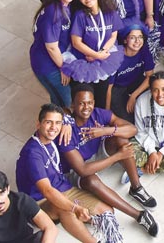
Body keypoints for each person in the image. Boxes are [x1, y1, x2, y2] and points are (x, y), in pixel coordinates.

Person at [58, 86, 159, 237]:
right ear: (73, 105)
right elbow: (83, 170)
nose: (87, 107)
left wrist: (105, 130)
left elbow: (132, 129)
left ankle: (136, 187)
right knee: (91, 181)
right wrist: (117, 156)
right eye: (81, 103)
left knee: (121, 139)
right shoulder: (66, 130)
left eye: (90, 102)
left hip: (96, 152)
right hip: (77, 169)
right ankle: (139, 215)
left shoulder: (98, 114)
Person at [15, 104, 118, 243]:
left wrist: (67, 123)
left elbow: (66, 111)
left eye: (58, 123)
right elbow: (47, 191)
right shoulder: (32, 154)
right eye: (48, 122)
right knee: (66, 210)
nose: (53, 127)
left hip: (62, 186)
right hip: (39, 200)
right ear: (38, 124)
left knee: (107, 212)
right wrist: (75, 208)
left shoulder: (55, 135)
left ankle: (79, 218)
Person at [63, 0, 124, 107]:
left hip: (103, 61)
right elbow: (76, 42)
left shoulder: (110, 12)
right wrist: (95, 55)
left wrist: (102, 52)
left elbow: (114, 35)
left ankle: (99, 125)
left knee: (101, 98)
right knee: (83, 101)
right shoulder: (80, 15)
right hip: (82, 63)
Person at [30, 0, 78, 107]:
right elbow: (51, 47)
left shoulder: (62, 6)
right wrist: (64, 68)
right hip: (49, 65)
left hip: (42, 61)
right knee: (69, 103)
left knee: (57, 100)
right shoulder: (55, 12)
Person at [0, 169, 58, 243]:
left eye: (1, 193)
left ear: (8, 189)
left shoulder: (22, 201)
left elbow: (50, 228)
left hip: (25, 240)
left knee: (42, 237)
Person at [109, 23, 154, 121]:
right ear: (125, 40)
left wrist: (134, 95)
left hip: (135, 82)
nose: (137, 41)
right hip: (117, 88)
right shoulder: (117, 56)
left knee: (155, 88)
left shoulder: (144, 50)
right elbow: (109, 88)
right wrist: (106, 114)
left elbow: (150, 76)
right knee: (128, 119)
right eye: (133, 37)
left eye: (140, 37)